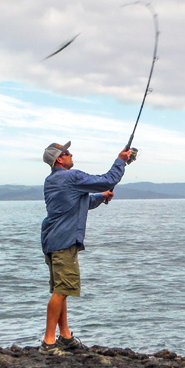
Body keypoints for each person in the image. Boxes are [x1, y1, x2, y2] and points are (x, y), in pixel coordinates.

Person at [39, 141, 132, 355]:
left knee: (60, 289)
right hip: (64, 241)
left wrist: (100, 197)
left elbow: (81, 202)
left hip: (52, 241)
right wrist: (121, 161)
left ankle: (65, 336)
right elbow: (107, 180)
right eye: (67, 152)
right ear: (59, 159)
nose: (71, 154)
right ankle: (48, 342)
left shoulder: (53, 180)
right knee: (62, 290)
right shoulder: (71, 177)